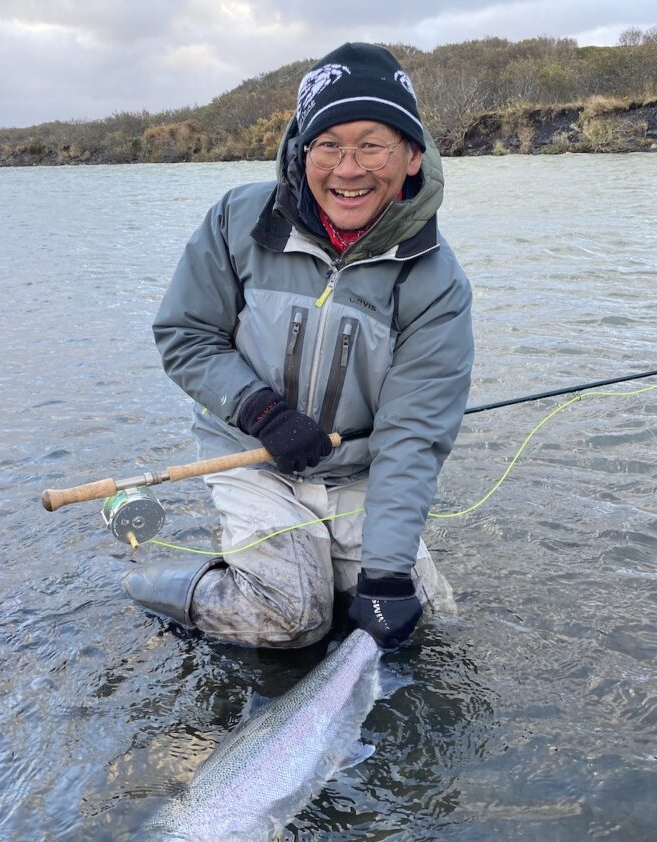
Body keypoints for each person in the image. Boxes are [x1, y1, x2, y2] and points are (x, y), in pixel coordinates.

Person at [125, 42, 474, 651]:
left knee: (418, 622)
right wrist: (263, 414)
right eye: (329, 145)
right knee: (293, 621)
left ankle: (335, 571)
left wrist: (387, 576)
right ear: (300, 150)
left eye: (373, 144)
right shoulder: (238, 219)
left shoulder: (436, 279)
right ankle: (150, 582)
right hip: (250, 458)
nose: (348, 168)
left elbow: (412, 435)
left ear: (412, 155)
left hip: (359, 474)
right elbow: (185, 335)